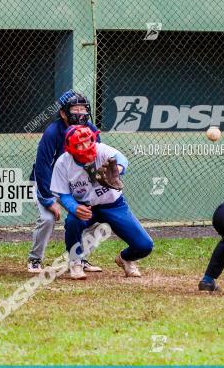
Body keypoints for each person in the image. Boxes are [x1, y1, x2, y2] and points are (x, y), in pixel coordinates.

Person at [50, 125, 154, 280]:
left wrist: (117, 169)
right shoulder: (63, 162)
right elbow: (63, 194)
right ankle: (76, 262)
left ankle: (126, 258)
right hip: (85, 206)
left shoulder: (101, 150)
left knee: (144, 246)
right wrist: (74, 207)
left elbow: (122, 159)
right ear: (70, 147)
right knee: (72, 222)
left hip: (113, 205)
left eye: (87, 141)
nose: (85, 146)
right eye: (79, 144)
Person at [27, 90, 101, 273]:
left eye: (83, 109)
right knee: (47, 218)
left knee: (93, 218)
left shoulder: (91, 130)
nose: (80, 113)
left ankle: (79, 259)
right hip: (47, 184)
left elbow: (95, 160)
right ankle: (35, 260)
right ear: (62, 113)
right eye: (75, 109)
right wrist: (48, 200)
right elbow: (42, 168)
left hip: (75, 184)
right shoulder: (52, 132)